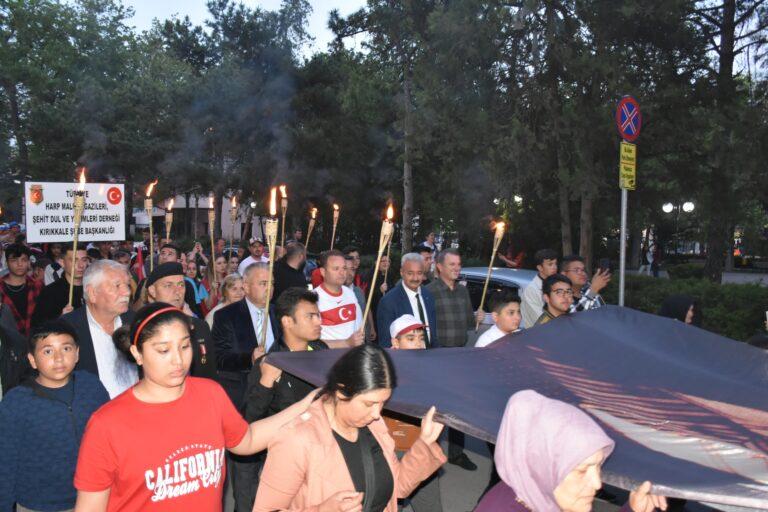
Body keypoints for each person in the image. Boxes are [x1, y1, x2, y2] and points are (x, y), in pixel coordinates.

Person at [72, 302, 318, 511]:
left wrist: (308, 404)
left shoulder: (210, 393)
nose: (178, 360)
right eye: (163, 350)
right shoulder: (107, 424)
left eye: (185, 346)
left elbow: (248, 440)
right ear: (137, 353)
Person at [253, 344, 447, 512]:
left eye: (382, 403)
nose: (377, 414)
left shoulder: (373, 424)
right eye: (369, 404)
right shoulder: (297, 438)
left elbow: (397, 487)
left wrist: (425, 442)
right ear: (340, 390)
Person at [475, 390, 667, 512]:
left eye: (599, 466)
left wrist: (633, 509)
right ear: (542, 465)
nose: (597, 483)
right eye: (582, 470)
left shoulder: (543, 495)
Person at [0, 320, 109, 512]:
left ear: (77, 353)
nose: (59, 358)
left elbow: (111, 438)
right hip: (38, 504)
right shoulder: (17, 401)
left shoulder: (91, 386)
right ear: (32, 360)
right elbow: (5, 463)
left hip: (93, 495)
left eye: (66, 348)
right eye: (48, 351)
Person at [239, 288, 329, 511]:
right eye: (310, 316)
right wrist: (266, 382)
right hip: (283, 462)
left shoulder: (321, 351)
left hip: (323, 455)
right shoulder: (270, 363)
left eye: (318, 315)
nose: (318, 321)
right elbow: (249, 420)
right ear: (288, 321)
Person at [426, 248, 483, 471]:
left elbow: (469, 324)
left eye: (458, 264)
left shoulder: (462, 291)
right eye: (452, 265)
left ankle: (456, 453)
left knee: (458, 408)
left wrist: (476, 318)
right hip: (439, 357)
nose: (457, 268)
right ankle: (431, 451)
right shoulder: (429, 291)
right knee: (437, 408)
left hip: (461, 356)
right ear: (439, 267)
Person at [384, 315, 444, 512]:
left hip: (422, 447)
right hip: (391, 452)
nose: (419, 344)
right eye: (410, 339)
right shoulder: (383, 372)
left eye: (420, 338)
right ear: (395, 342)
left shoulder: (430, 369)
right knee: (392, 504)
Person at [61, 259, 137, 398]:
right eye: (117, 285)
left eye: (127, 285)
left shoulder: (138, 322)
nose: (126, 292)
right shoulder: (66, 329)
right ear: (92, 293)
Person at [212, 262, 278, 409]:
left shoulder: (280, 312)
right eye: (263, 283)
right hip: (244, 392)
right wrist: (249, 358)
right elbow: (218, 357)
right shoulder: (226, 316)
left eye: (272, 283)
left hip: (277, 392)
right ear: (246, 287)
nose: (269, 288)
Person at [145, 262, 218, 379]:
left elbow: (209, 373)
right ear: (152, 291)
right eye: (168, 285)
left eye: (181, 285)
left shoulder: (199, 326)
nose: (177, 291)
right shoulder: (143, 329)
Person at [377, 253, 439, 349]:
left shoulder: (428, 295)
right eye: (410, 273)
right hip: (404, 360)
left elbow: (433, 333)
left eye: (419, 273)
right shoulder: (388, 302)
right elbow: (386, 343)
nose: (415, 278)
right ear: (402, 272)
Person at [314, 249, 364, 348]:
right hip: (328, 360)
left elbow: (359, 329)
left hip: (352, 357)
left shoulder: (350, 294)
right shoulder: (312, 299)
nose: (342, 273)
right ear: (323, 272)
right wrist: (346, 343)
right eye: (336, 269)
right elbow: (310, 342)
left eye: (344, 268)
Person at [31, 244, 90, 328]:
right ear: (62, 262)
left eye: (84, 260)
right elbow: (37, 327)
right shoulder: (50, 292)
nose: (81, 265)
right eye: (74, 260)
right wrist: (60, 319)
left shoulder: (93, 289)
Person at [0, 244, 42, 337]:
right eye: (14, 260)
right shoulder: (1, 288)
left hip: (34, 340)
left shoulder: (38, 286)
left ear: (28, 262)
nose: (19, 264)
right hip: (6, 342)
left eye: (24, 260)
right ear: (7, 263)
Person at [521, 249, 558, 328]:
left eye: (555, 264)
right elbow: (541, 319)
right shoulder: (531, 290)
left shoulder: (557, 284)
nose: (555, 267)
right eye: (550, 264)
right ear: (540, 267)